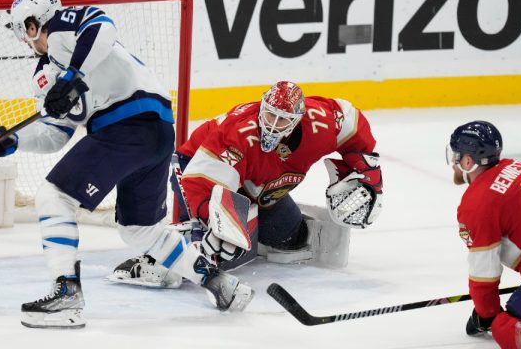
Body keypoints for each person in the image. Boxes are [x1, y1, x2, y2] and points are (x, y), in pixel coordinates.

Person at [0, 0, 254, 329]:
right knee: (140, 230)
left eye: (23, 32)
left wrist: (72, 77)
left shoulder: (62, 28)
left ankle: (67, 293)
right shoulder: (47, 75)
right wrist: (8, 141)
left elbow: (102, 25)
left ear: (29, 27)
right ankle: (221, 284)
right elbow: (56, 133)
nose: (25, 41)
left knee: (53, 197)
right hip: (154, 133)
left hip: (128, 126)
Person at [110, 81, 383, 286]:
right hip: (198, 164)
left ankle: (249, 232)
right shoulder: (239, 134)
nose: (273, 125)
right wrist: (214, 220)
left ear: (299, 120)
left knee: (288, 235)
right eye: (270, 115)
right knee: (213, 245)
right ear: (262, 106)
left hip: (259, 185)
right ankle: (161, 259)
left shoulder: (320, 125)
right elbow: (200, 181)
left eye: (283, 120)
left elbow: (351, 121)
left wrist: (368, 174)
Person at [446, 121, 521, 349]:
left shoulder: (475, 205)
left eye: (456, 156)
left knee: (506, 326)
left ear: (468, 161)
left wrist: (487, 315)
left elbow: (483, 276)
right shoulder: (516, 166)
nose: (453, 163)